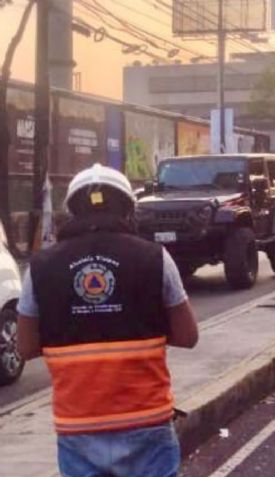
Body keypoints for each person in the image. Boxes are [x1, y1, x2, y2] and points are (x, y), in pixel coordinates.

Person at [16, 164, 199, 477]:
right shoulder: (156, 257)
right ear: (129, 211)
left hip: (79, 426)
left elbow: (26, 346)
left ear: (72, 213)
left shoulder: (41, 266)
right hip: (146, 421)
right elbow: (188, 335)